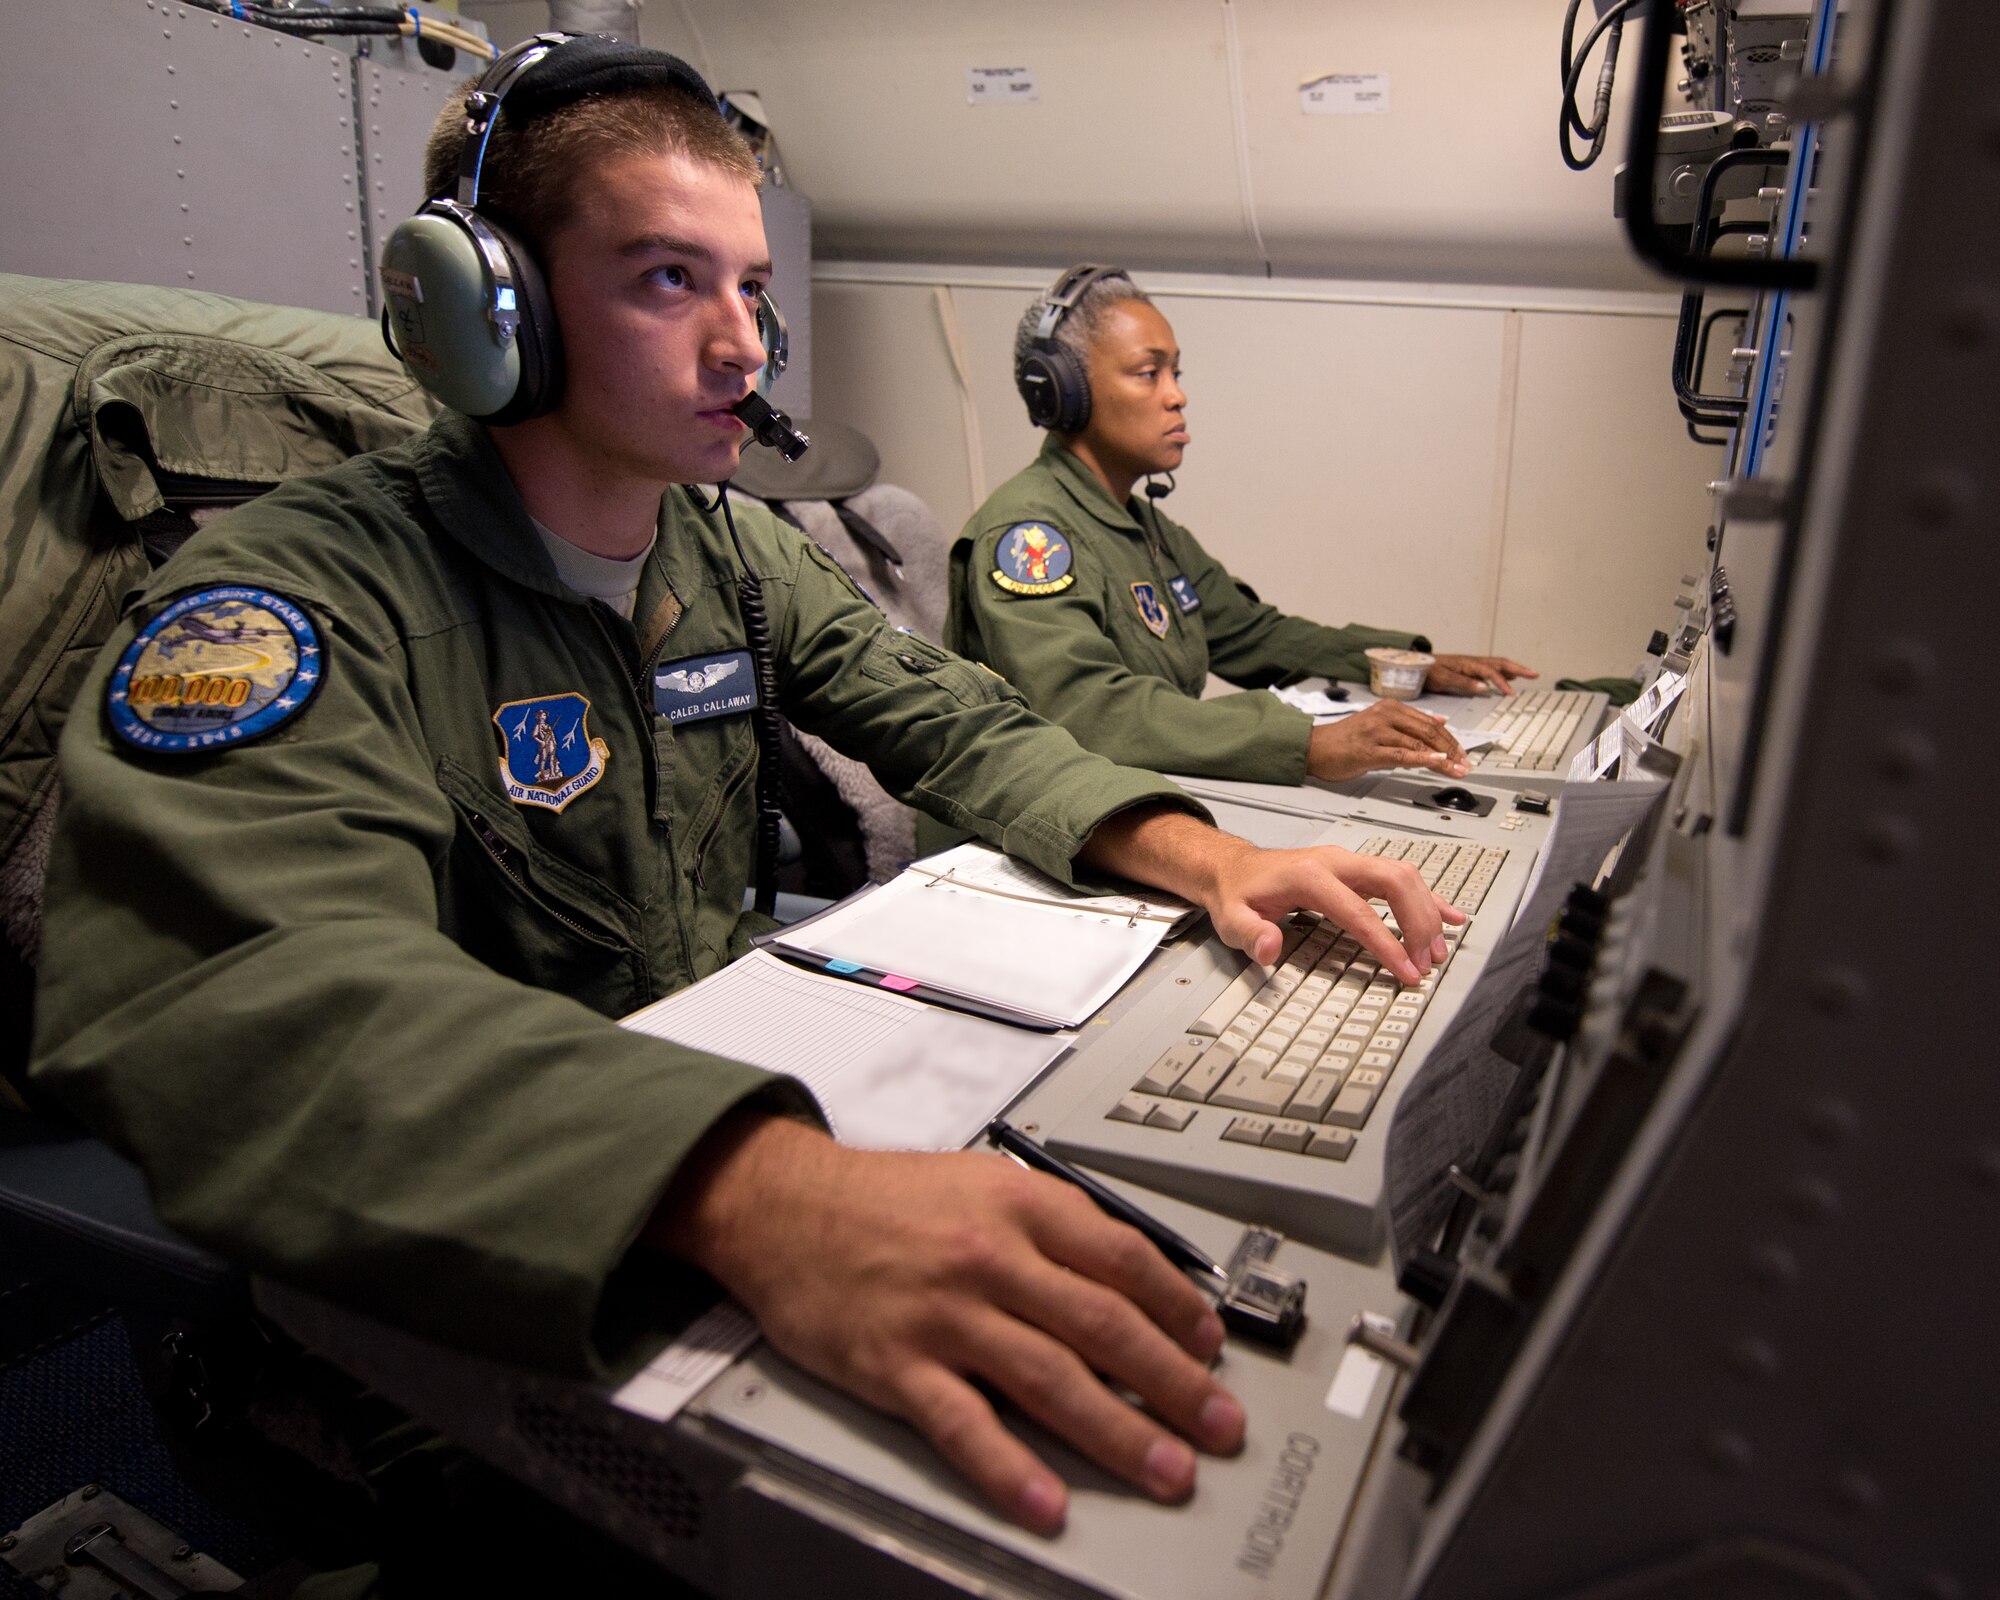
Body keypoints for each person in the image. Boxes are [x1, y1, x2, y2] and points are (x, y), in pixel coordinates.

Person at [28, 42, 1458, 1551]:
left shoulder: (723, 553)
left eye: (751, 288)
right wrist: (758, 1189)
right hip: (460, 1246)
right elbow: (260, 991)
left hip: (705, 1156)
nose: (744, 348)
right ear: (485, 313)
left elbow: (952, 717)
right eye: (666, 280)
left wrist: (1195, 851)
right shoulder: (291, 600)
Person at [947, 265, 1540, 787]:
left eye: (1176, 373)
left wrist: (1398, 665)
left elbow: (1253, 635)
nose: (1177, 396)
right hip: (1007, 840)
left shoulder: (1142, 527)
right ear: (1065, 393)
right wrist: (1307, 744)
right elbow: (1088, 707)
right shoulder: (1030, 537)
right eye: (1148, 373)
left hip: (1112, 798)